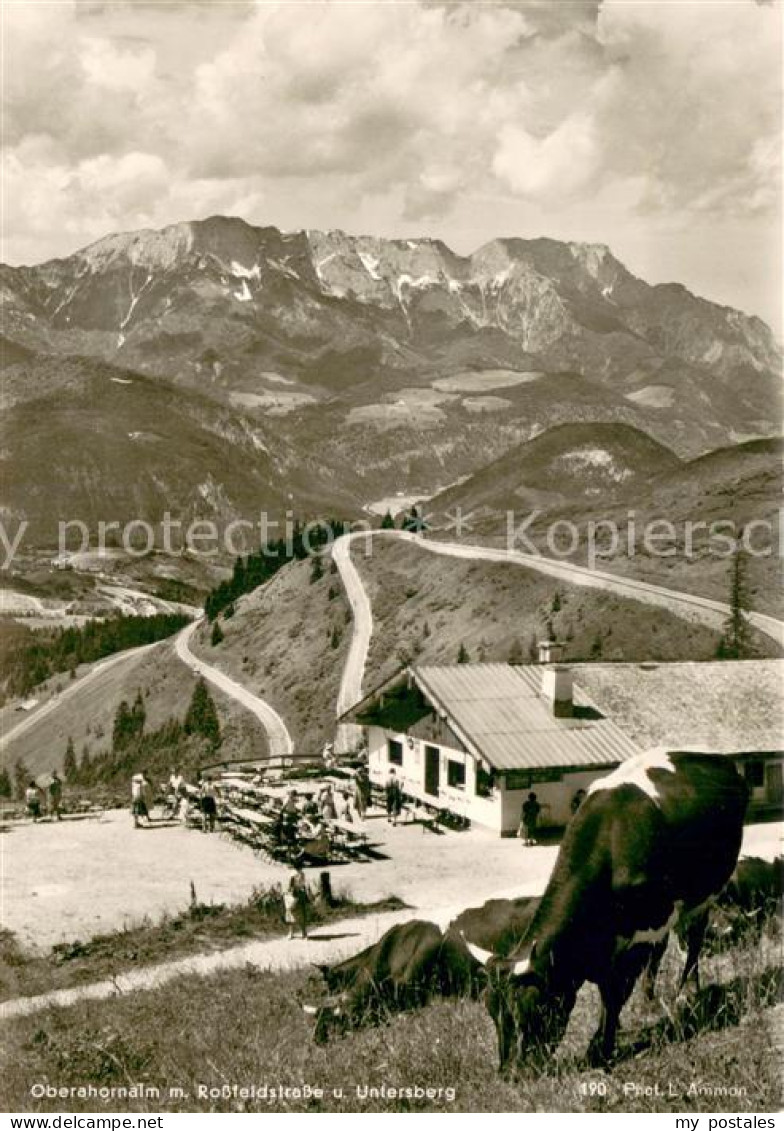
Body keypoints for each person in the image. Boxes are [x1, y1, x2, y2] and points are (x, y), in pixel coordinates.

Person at [283, 867, 310, 940]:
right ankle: (292, 933)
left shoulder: (301, 873)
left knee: (300, 913)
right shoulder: (293, 873)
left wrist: (305, 894)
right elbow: (290, 884)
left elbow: (303, 885)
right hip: (294, 894)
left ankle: (303, 933)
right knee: (292, 913)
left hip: (299, 893)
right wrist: (292, 891)